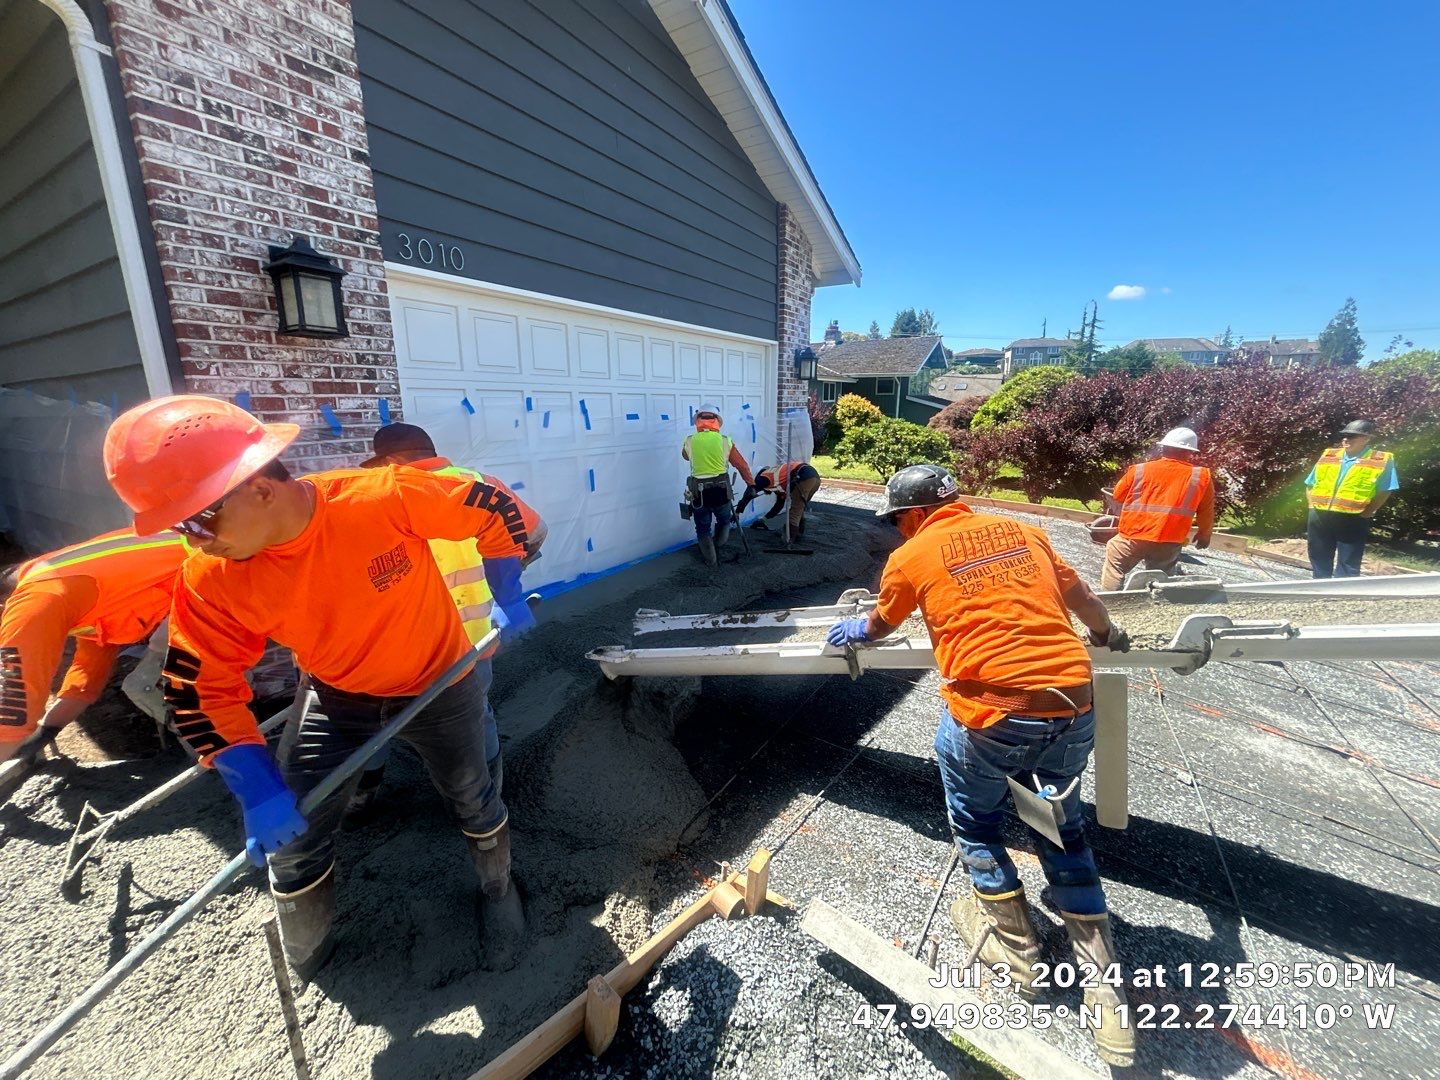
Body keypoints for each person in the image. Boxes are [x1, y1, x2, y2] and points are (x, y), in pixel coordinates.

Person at [103, 395, 541, 978]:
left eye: (198, 520)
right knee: (295, 834)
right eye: (180, 526)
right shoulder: (212, 578)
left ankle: (498, 891)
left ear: (259, 488)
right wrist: (255, 787)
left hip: (443, 684)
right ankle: (308, 947)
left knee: (474, 794)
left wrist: (506, 588)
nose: (193, 541)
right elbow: (199, 687)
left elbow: (489, 507)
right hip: (337, 700)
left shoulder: (383, 498)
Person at [827, 464, 1135, 1067]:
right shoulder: (1023, 530)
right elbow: (1084, 602)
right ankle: (1107, 999)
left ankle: (1022, 957)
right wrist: (1108, 632)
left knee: (976, 822)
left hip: (993, 713)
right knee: (1061, 825)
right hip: (1073, 703)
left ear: (913, 515)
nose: (897, 532)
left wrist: (855, 631)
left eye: (898, 522)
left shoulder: (912, 555)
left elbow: (881, 624)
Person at [352, 421, 547, 815]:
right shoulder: (480, 483)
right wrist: (506, 589)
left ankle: (361, 797)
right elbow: (536, 531)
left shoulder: (375, 497)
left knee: (373, 722)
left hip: (398, 644)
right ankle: (489, 796)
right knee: (476, 716)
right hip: (472, 638)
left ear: (390, 460)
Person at [0, 529, 188, 766]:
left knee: (147, 685)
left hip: (226, 574)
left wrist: (9, 741)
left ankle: (220, 762)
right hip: (217, 568)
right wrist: (46, 730)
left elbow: (14, 707)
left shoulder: (34, 600)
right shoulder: (71, 586)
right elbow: (87, 676)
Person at [1099, 426, 1215, 591]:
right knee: (1160, 579)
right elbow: (1206, 510)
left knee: (1114, 563)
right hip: (1170, 539)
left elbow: (1117, 495)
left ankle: (1111, 602)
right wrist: (1204, 534)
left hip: (1133, 534)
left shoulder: (1139, 469)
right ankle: (1156, 607)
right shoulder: (1201, 476)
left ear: (1164, 448)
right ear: (1189, 452)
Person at [1304, 419, 1399, 579]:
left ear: (1367, 438)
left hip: (1353, 517)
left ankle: (1342, 597)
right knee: (1318, 555)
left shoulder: (1380, 460)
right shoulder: (1330, 455)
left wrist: (1368, 512)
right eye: (1344, 436)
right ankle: (1319, 590)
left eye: (1352, 436)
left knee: (1348, 562)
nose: (1346, 440)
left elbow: (1385, 490)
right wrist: (1312, 506)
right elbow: (1310, 483)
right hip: (1320, 515)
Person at [680, 403, 753, 566]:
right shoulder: (725, 441)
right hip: (721, 491)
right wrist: (751, 483)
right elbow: (741, 465)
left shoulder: (690, 441)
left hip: (699, 494)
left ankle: (711, 560)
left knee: (703, 527)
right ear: (717, 421)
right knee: (724, 520)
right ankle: (718, 544)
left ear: (697, 421)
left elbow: (685, 456)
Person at [735, 460, 822, 538]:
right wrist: (764, 519)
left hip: (803, 476)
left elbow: (749, 494)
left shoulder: (763, 477)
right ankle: (798, 533)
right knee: (799, 507)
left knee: (795, 511)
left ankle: (788, 539)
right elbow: (779, 505)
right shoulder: (780, 481)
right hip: (814, 478)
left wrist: (738, 512)